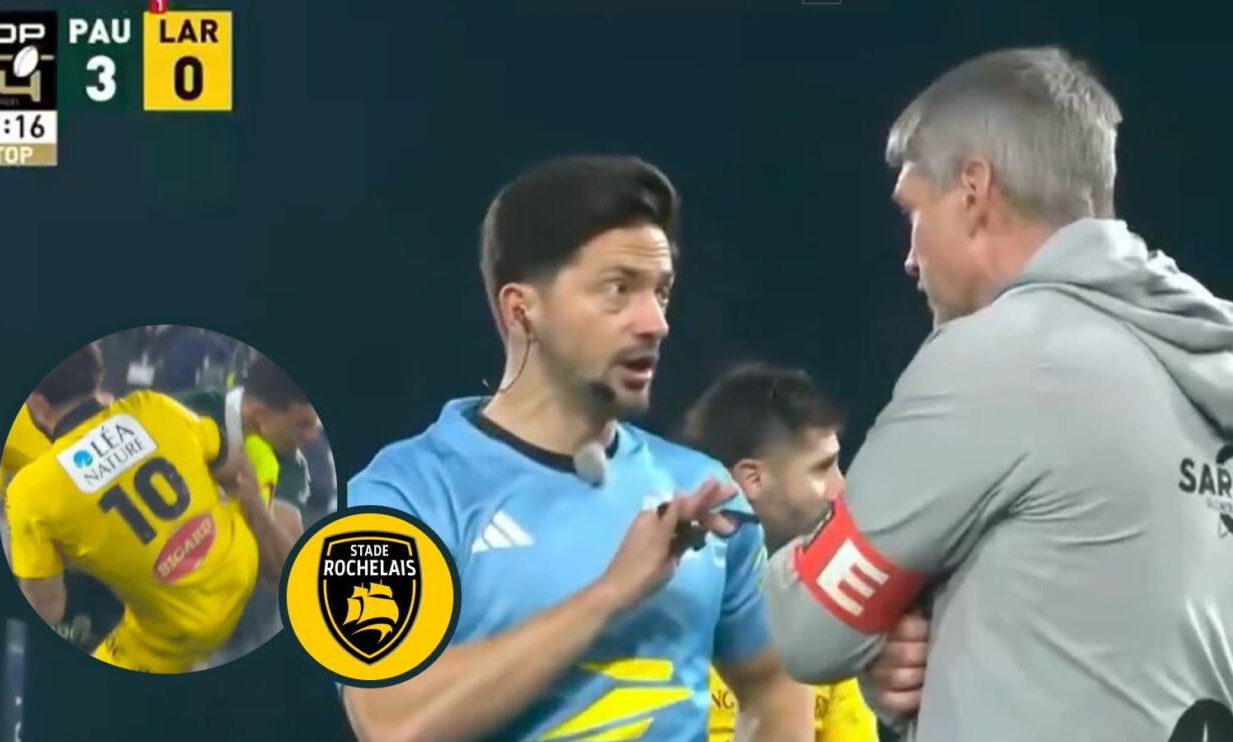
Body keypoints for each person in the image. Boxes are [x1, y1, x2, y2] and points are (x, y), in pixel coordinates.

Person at [762, 46, 1233, 742]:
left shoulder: (1000, 360)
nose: (910, 256)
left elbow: (808, 629)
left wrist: (870, 619)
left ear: (973, 190)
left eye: (912, 212)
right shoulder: (1205, 353)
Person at [342, 155, 815, 741]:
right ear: (522, 311)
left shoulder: (704, 490)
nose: (656, 322)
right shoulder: (400, 494)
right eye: (619, 290)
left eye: (660, 292)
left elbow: (774, 683)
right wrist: (611, 593)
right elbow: (390, 721)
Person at [4, 343, 277, 673]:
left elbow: (48, 609)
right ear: (96, 375)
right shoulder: (154, 405)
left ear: (37, 403)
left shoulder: (28, 490)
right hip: (243, 565)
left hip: (181, 630)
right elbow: (232, 464)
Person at [681, 362, 878, 742]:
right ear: (752, 478)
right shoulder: (663, 599)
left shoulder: (824, 610)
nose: (843, 489)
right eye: (822, 469)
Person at [179, 353, 323, 666]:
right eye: (303, 424)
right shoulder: (183, 413)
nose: (312, 437)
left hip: (236, 634)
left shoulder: (288, 463)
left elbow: (286, 572)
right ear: (260, 415)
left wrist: (257, 508)